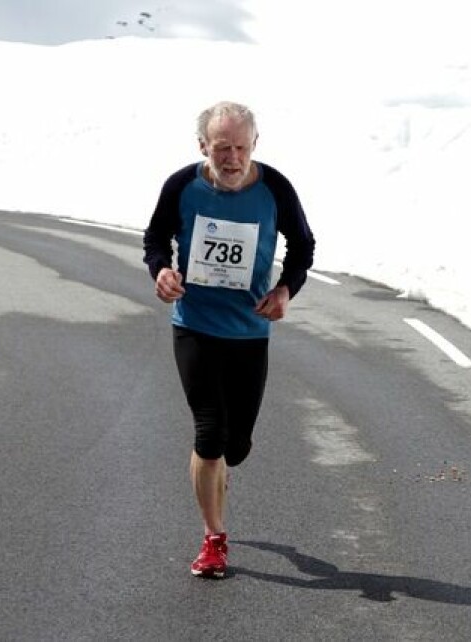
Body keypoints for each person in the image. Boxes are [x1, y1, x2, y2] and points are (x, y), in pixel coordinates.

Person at [142, 101, 316, 578]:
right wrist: (161, 271)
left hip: (249, 330)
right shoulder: (181, 186)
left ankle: (218, 472)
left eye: (241, 147)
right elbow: (155, 238)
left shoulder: (275, 188)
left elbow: (303, 247)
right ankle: (214, 539)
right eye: (222, 148)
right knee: (210, 433)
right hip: (194, 325)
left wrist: (285, 290)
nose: (233, 158)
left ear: (254, 144)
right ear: (204, 146)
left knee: (235, 446)